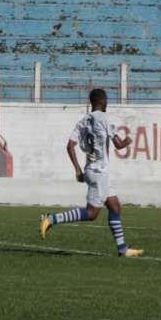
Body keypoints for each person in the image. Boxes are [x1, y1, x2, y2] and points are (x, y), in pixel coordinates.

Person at [39, 88, 143, 257]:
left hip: (92, 169)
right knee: (92, 213)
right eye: (106, 100)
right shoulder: (105, 119)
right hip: (99, 171)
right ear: (102, 101)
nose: (107, 103)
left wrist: (78, 170)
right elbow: (118, 144)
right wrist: (128, 140)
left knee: (115, 207)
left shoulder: (83, 121)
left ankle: (123, 249)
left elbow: (69, 146)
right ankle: (50, 219)